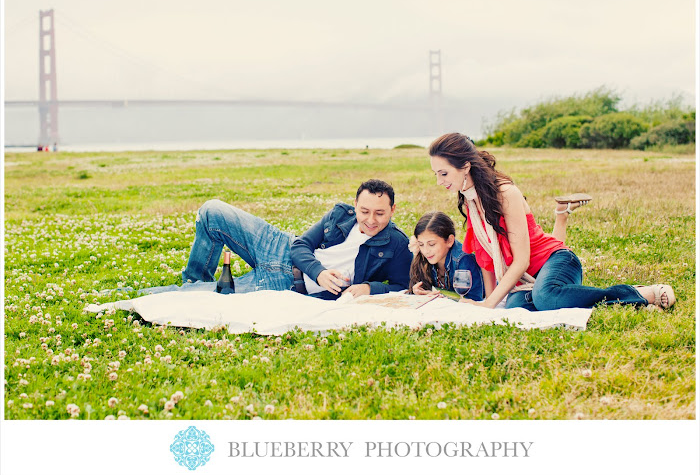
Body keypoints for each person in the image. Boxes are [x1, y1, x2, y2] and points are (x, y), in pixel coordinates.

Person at [426, 132, 676, 312]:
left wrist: (489, 303)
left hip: (557, 261)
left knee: (545, 298)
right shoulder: (470, 200)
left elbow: (522, 259)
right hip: (528, 280)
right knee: (514, 306)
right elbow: (485, 258)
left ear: (466, 166)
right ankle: (622, 304)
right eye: (436, 174)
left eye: (444, 173)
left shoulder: (505, 193)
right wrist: (490, 303)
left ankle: (642, 293)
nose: (439, 181)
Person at [181, 179, 412, 299]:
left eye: (380, 213)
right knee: (211, 211)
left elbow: (403, 285)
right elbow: (301, 245)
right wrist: (319, 273)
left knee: (183, 298)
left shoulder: (397, 244)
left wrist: (369, 288)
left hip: (286, 287)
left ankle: (194, 290)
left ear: (392, 210)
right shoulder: (341, 214)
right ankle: (195, 279)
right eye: (364, 211)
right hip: (277, 247)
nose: (371, 220)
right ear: (355, 206)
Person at [407, 199, 586, 302]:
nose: (426, 250)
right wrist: (420, 291)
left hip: (519, 274)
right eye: (422, 245)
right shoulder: (425, 258)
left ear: (449, 240)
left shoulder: (463, 258)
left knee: (545, 255)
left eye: (431, 244)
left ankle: (561, 216)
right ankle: (562, 215)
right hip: (516, 275)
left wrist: (440, 295)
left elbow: (475, 297)